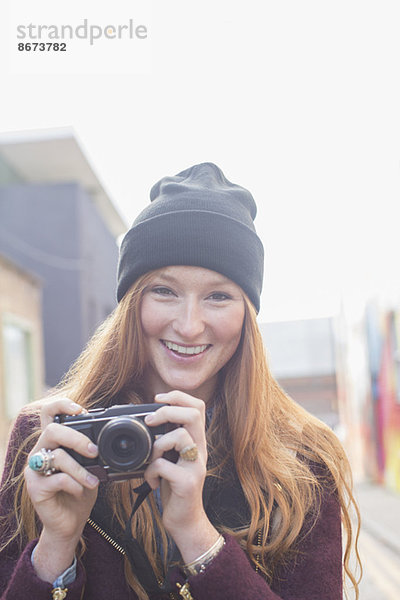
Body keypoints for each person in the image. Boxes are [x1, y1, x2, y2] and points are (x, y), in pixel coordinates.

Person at [0, 162, 361, 600]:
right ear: (132, 304)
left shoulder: (300, 462)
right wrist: (56, 544)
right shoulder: (49, 441)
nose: (189, 326)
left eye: (218, 296)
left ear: (247, 315)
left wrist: (196, 536)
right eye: (164, 290)